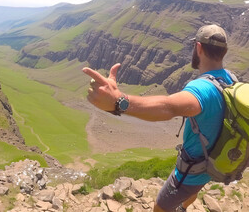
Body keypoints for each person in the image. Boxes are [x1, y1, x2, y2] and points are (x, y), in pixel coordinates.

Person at [83, 24, 233, 212]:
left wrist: (118, 102)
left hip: (192, 171)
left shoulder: (202, 89)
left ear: (198, 48)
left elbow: (168, 107)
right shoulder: (230, 78)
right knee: (193, 190)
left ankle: (178, 207)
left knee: (159, 207)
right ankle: (182, 208)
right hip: (217, 162)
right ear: (224, 51)